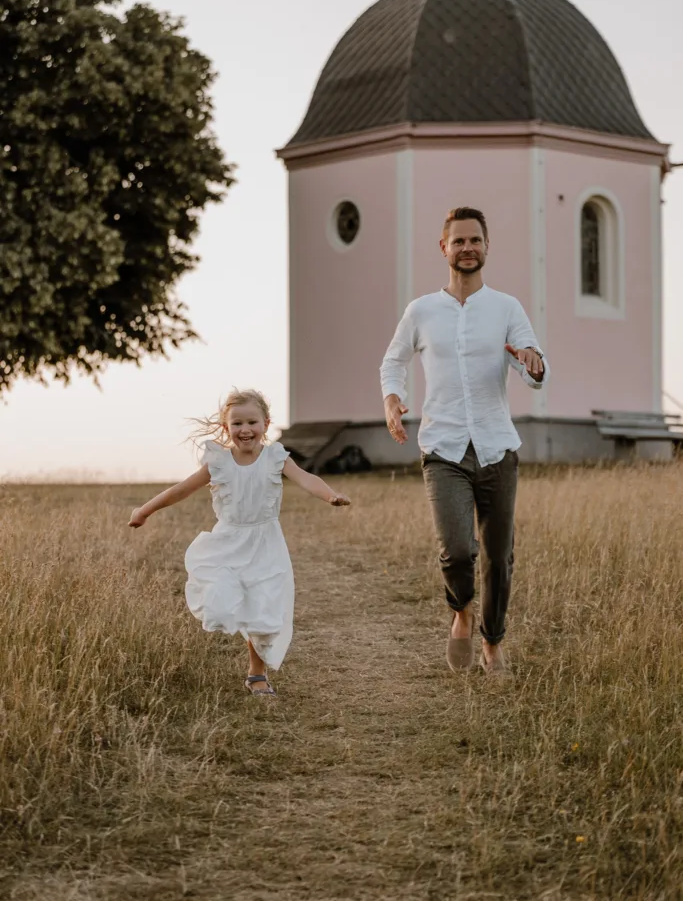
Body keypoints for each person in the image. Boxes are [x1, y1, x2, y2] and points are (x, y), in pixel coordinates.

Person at [380, 207, 549, 677]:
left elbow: (532, 365)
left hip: (497, 449)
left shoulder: (506, 307)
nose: (467, 248)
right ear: (444, 248)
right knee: (457, 549)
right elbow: (392, 363)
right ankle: (462, 611)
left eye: (475, 240)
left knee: (499, 555)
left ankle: (493, 643)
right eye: (458, 241)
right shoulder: (421, 311)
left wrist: (533, 363)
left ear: (487, 247)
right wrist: (393, 401)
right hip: (443, 448)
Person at [128, 389, 350, 698]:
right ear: (225, 428)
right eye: (237, 424)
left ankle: (256, 675)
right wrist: (145, 510)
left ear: (266, 424)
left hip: (266, 544)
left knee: (263, 609)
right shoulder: (218, 462)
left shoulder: (276, 457)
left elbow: (306, 479)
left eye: (252, 422)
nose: (245, 430)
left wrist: (330, 495)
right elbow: (181, 490)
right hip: (228, 543)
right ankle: (243, 645)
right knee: (222, 602)